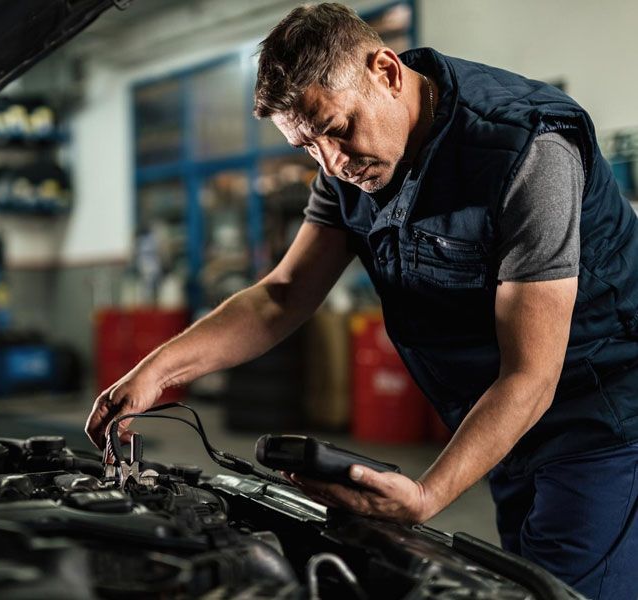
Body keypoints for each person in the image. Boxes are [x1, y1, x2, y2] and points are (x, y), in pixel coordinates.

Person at [86, 4, 638, 597]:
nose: (332, 163)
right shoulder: (347, 167)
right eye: (307, 146)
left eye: (338, 128)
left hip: (603, 423)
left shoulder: (527, 149)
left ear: (387, 71)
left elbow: (531, 373)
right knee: (527, 582)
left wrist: (427, 495)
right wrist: (155, 373)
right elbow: (282, 296)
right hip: (508, 431)